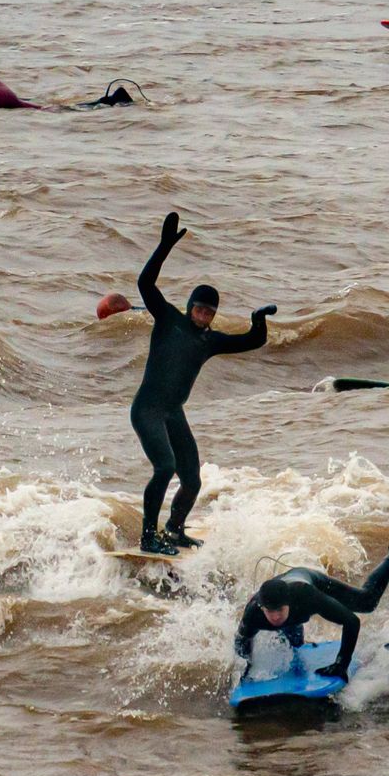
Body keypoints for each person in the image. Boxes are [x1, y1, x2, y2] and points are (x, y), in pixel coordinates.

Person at [131, 212, 275, 555]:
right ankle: (148, 537)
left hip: (172, 412)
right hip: (147, 409)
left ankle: (174, 530)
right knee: (165, 466)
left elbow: (252, 342)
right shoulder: (168, 320)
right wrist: (164, 247)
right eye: (199, 310)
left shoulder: (208, 341)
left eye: (209, 312)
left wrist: (258, 320)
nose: (203, 316)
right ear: (190, 307)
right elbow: (145, 285)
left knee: (192, 480)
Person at [233, 542, 389, 681]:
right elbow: (242, 643)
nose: (275, 617)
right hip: (285, 600)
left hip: (310, 580)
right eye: (270, 612)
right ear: (262, 607)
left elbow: (352, 622)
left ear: (289, 604)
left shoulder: (306, 596)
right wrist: (248, 667)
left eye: (280, 611)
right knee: (294, 645)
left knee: (367, 602)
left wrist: (341, 665)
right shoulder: (254, 613)